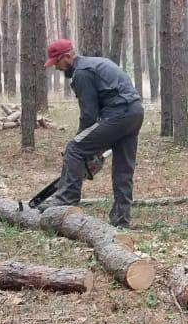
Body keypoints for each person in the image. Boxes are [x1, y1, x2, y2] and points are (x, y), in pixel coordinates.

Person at [42, 39, 144, 227]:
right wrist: (94, 149)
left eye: (57, 62)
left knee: (74, 148)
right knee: (123, 168)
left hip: (118, 113)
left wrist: (84, 148)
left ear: (68, 57)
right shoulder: (94, 63)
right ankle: (121, 220)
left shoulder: (82, 72)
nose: (56, 67)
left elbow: (89, 115)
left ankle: (66, 200)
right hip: (134, 112)